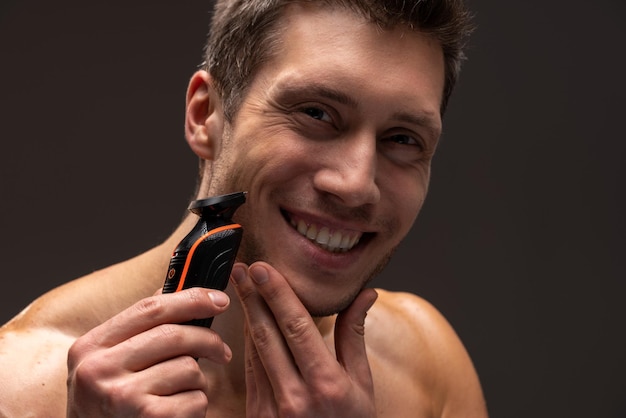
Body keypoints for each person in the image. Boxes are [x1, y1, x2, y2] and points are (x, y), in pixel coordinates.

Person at [0, 0, 488, 416]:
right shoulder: (16, 387)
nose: (357, 185)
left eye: (402, 139)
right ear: (206, 116)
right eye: (316, 113)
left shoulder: (427, 367)